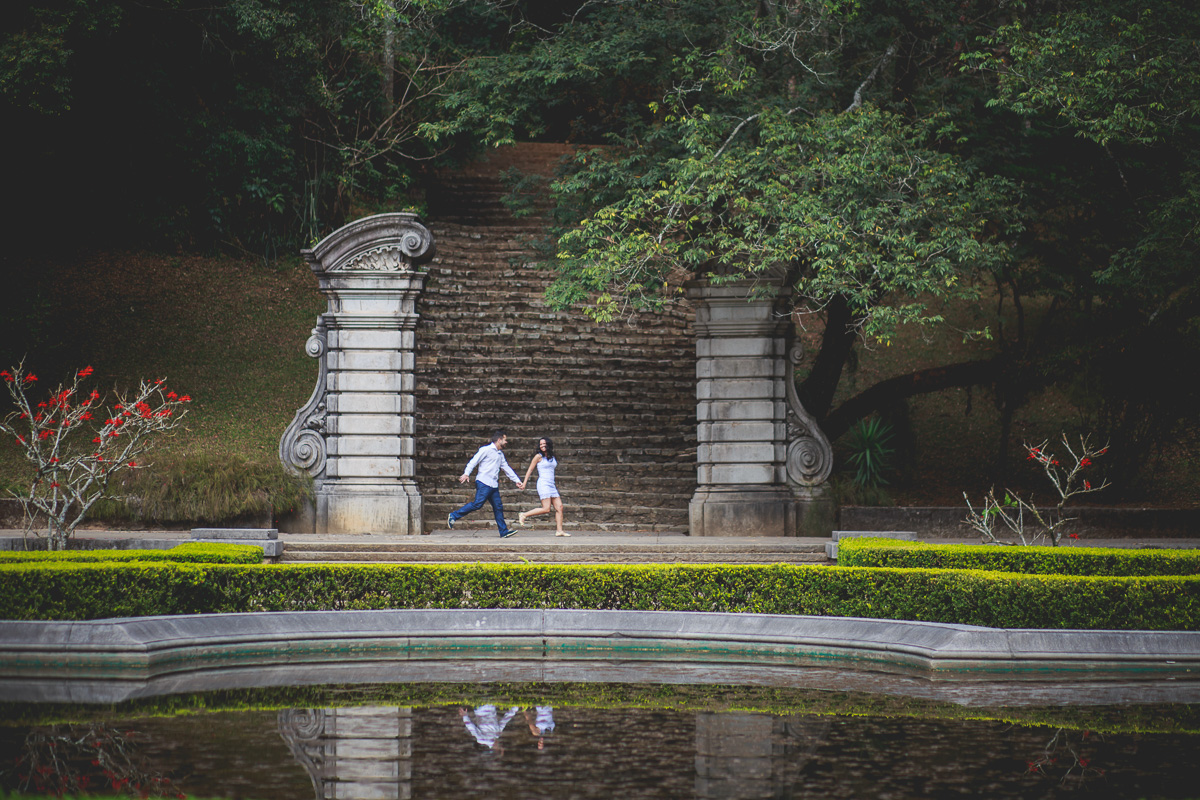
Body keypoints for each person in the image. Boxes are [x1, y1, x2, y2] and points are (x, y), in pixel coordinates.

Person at [448, 430, 524, 538]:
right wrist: (466, 473)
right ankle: (453, 515)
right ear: (499, 440)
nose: (506, 442)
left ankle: (503, 532)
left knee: (498, 507)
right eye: (505, 440)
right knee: (477, 504)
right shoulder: (486, 450)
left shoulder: (500, 454)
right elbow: (474, 461)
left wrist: (517, 480)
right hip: (484, 482)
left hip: (493, 485)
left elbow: (506, 468)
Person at [517, 436, 567, 536]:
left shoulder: (552, 456)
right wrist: (524, 483)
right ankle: (524, 515)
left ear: (548, 444)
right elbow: (530, 469)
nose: (542, 446)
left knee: (560, 507)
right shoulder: (538, 456)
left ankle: (559, 531)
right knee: (546, 508)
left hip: (551, 484)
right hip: (543, 483)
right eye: (540, 444)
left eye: (544, 444)